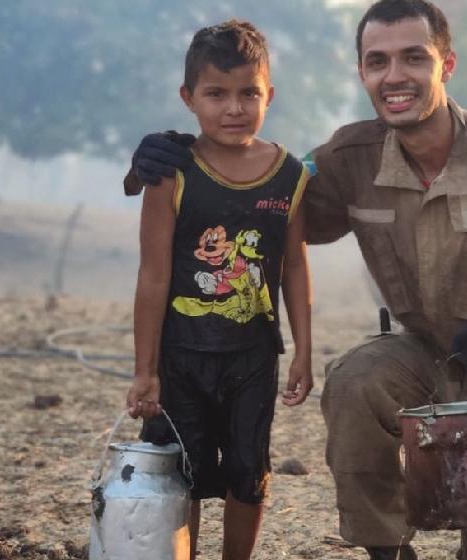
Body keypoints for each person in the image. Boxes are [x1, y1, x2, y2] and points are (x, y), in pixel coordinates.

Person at [125, 1, 467, 559]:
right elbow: (258, 193)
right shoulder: (350, 157)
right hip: (426, 358)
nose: (394, 76)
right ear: (362, 73)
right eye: (377, 61)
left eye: (413, 58)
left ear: (446, 65)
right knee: (355, 380)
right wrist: (155, 165)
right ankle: (386, 549)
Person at [125, 20, 313, 560]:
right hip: (181, 356)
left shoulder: (290, 176)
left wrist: (303, 348)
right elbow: (154, 276)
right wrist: (146, 368)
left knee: (248, 471)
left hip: (254, 357)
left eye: (248, 93)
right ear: (189, 98)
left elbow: (294, 267)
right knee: (177, 473)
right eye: (216, 94)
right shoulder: (170, 174)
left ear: (269, 95)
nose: (234, 108)